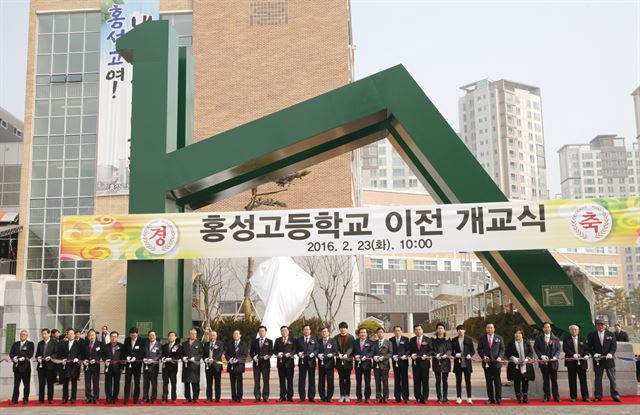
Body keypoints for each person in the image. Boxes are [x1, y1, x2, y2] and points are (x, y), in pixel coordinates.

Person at [587, 319, 621, 402]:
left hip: (609, 360)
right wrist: (594, 353)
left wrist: (611, 353)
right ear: (596, 326)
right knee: (598, 379)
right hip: (598, 360)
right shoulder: (591, 335)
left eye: (602, 324)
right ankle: (598, 395)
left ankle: (615, 395)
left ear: (605, 325)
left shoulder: (611, 334)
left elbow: (614, 346)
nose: (600, 326)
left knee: (612, 378)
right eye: (598, 325)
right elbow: (589, 347)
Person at [477, 322, 504, 404]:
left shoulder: (499, 338)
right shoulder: (482, 338)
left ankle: (498, 398)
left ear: (494, 329)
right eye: (488, 328)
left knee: (497, 381)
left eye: (491, 327)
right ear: (486, 329)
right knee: (488, 381)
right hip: (487, 363)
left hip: (496, 363)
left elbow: (502, 349)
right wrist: (483, 356)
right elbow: (479, 349)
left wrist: (500, 356)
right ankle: (491, 399)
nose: (489, 329)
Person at [533, 322, 561, 402]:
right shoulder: (538, 338)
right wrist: (541, 356)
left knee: (554, 380)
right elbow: (536, 348)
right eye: (545, 327)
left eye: (548, 327)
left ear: (550, 328)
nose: (547, 329)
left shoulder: (556, 338)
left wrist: (556, 356)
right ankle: (546, 396)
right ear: (543, 329)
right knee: (545, 380)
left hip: (553, 363)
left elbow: (558, 349)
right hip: (543, 362)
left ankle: (556, 396)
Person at [506, 328, 535, 403]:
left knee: (525, 380)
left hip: (525, 365)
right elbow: (507, 353)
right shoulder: (511, 343)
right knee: (517, 381)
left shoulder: (526, 342)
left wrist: (527, 358)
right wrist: (512, 358)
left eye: (519, 333)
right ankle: (518, 397)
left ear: (522, 334)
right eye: (516, 333)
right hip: (515, 365)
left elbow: (530, 352)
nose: (517, 334)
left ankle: (525, 396)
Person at [562, 324, 590, 402]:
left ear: (578, 331)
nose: (574, 331)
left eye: (575, 329)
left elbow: (586, 349)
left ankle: (585, 397)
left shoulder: (583, 339)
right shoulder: (566, 339)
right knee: (572, 380)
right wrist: (572, 354)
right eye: (572, 329)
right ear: (569, 331)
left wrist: (586, 355)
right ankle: (573, 397)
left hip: (582, 363)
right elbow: (565, 349)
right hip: (571, 363)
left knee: (583, 381)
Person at [10, 329, 35, 405]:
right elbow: (11, 353)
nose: (22, 336)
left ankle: (25, 399)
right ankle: (14, 399)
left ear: (27, 336)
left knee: (26, 385)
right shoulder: (16, 344)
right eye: (21, 334)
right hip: (17, 367)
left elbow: (30, 354)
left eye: (24, 334)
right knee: (16, 385)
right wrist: (13, 358)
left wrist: (24, 358)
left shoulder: (30, 344)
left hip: (25, 368)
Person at [451, 324, 474, 405]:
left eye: (462, 329)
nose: (460, 331)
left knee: (468, 381)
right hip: (458, 363)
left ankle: (469, 397)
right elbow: (451, 351)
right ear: (457, 331)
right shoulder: (454, 340)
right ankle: (459, 397)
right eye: (459, 330)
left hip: (467, 363)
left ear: (465, 331)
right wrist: (455, 354)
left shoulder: (469, 339)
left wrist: (470, 355)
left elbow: (472, 351)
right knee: (458, 381)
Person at [58, 328, 82, 404]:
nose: (71, 335)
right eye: (69, 334)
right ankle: (65, 398)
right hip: (65, 366)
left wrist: (77, 358)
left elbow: (81, 354)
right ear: (67, 335)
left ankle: (73, 398)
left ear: (74, 335)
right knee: (65, 383)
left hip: (74, 366)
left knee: (74, 383)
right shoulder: (63, 344)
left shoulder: (78, 344)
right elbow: (60, 354)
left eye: (72, 333)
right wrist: (63, 359)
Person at [295, 324, 318, 402]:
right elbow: (296, 349)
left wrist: (314, 353)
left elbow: (317, 349)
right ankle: (302, 397)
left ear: (310, 331)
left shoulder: (314, 339)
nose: (306, 331)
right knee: (301, 380)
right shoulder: (299, 340)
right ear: (302, 331)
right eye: (305, 329)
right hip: (302, 362)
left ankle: (311, 397)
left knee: (312, 380)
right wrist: (299, 353)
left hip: (311, 362)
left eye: (307, 329)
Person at [250, 325, 273, 402]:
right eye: (260, 331)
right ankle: (257, 396)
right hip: (256, 364)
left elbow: (271, 352)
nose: (261, 332)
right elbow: (251, 352)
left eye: (263, 331)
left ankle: (265, 396)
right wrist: (254, 357)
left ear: (265, 332)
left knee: (266, 381)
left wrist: (267, 356)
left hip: (265, 364)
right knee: (257, 381)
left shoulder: (269, 341)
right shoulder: (254, 341)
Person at [409, 324, 431, 404]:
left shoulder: (428, 339)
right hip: (415, 364)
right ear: (414, 331)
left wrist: (427, 355)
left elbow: (431, 350)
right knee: (416, 382)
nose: (418, 331)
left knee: (425, 382)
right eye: (416, 330)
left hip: (425, 364)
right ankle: (417, 397)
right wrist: (411, 355)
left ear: (422, 330)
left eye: (419, 329)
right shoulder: (412, 340)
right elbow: (409, 350)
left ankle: (425, 398)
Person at [123, 327, 145, 404]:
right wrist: (127, 357)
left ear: (137, 334)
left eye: (134, 335)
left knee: (137, 382)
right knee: (127, 382)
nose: (133, 336)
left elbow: (142, 352)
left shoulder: (141, 340)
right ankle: (126, 399)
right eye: (132, 335)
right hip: (128, 365)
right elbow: (124, 350)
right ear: (130, 334)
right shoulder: (127, 340)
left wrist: (136, 358)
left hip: (137, 365)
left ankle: (135, 399)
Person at [181, 327, 203, 403]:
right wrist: (183, 358)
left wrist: (196, 358)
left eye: (194, 334)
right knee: (186, 383)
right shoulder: (184, 344)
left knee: (195, 382)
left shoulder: (199, 343)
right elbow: (181, 353)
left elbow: (201, 353)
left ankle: (196, 397)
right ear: (189, 334)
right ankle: (187, 398)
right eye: (191, 333)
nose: (192, 335)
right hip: (186, 365)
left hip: (195, 366)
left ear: (196, 335)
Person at [274, 325, 296, 402]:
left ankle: (290, 396)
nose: (284, 332)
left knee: (290, 381)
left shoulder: (292, 340)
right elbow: (274, 350)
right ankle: (282, 396)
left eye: (285, 330)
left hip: (289, 363)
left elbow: (295, 349)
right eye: (282, 331)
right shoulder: (277, 340)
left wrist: (290, 354)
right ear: (280, 332)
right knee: (282, 381)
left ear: (288, 331)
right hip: (281, 364)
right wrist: (278, 353)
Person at [35, 328, 57, 404]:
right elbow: (37, 354)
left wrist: (50, 357)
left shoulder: (54, 343)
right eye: (42, 334)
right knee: (41, 383)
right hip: (41, 366)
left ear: (49, 334)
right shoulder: (40, 343)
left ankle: (50, 399)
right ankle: (41, 399)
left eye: (45, 334)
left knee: (50, 383)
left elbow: (56, 353)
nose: (43, 335)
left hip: (50, 366)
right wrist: (38, 358)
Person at [334, 321, 354, 402]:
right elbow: (335, 348)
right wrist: (338, 354)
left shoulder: (351, 337)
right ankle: (342, 395)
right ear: (339, 329)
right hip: (339, 361)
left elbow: (351, 347)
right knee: (341, 379)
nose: (343, 330)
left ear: (347, 329)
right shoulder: (336, 338)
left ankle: (347, 395)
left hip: (348, 361)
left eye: (344, 328)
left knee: (348, 379)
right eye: (341, 328)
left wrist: (346, 354)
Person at [432, 322, 452, 403]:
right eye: (439, 328)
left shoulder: (448, 341)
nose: (440, 330)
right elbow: (431, 350)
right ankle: (439, 397)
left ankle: (445, 397)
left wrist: (446, 355)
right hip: (437, 362)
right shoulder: (433, 341)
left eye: (441, 328)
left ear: (444, 330)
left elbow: (450, 350)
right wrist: (435, 354)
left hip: (445, 362)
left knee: (445, 381)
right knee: (438, 381)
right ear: (436, 330)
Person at [353, 327, 374, 403]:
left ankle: (367, 397)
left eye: (364, 332)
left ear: (367, 334)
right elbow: (353, 351)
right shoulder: (355, 342)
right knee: (358, 382)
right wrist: (355, 355)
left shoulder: (371, 342)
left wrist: (367, 356)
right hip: (358, 364)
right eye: (361, 332)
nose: (363, 334)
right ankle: (359, 397)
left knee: (367, 381)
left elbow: (372, 352)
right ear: (359, 334)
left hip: (367, 364)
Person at [225, 329, 247, 403]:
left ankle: (240, 397)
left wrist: (238, 360)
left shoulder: (243, 344)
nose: (235, 335)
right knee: (232, 383)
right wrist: (229, 359)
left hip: (239, 366)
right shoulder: (230, 344)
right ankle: (233, 397)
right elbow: (226, 354)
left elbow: (245, 355)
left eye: (237, 334)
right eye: (234, 334)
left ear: (240, 335)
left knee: (239, 383)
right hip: (231, 366)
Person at [203, 330, 225, 403]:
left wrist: (213, 359)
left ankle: (218, 398)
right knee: (209, 383)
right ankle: (209, 397)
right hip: (208, 366)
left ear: (216, 336)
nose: (212, 337)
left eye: (214, 335)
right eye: (211, 335)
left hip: (217, 366)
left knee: (217, 383)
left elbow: (220, 353)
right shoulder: (206, 344)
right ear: (209, 336)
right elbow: (203, 354)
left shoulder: (220, 344)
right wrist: (205, 359)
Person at [390, 325, 410, 403]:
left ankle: (406, 397)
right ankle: (397, 397)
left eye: (399, 330)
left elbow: (408, 349)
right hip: (395, 362)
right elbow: (390, 350)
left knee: (404, 379)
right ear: (394, 332)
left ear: (401, 331)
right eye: (396, 330)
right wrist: (392, 356)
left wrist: (406, 355)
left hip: (404, 362)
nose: (397, 332)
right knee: (397, 379)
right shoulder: (391, 340)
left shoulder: (405, 339)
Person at [317, 327, 337, 402]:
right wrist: (318, 355)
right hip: (321, 364)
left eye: (325, 331)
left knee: (330, 381)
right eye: (323, 332)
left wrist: (332, 354)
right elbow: (316, 351)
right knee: (321, 381)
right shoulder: (318, 341)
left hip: (330, 364)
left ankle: (329, 397)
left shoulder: (333, 341)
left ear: (328, 333)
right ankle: (322, 396)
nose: (324, 333)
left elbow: (335, 351)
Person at [161, 331, 182, 403]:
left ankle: (174, 398)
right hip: (165, 367)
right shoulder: (165, 346)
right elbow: (161, 354)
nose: (171, 337)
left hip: (173, 367)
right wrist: (162, 358)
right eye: (170, 335)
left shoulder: (178, 346)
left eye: (172, 335)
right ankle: (164, 397)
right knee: (165, 383)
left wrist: (172, 359)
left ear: (175, 337)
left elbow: (179, 356)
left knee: (173, 383)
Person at [83, 329, 103, 404]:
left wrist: (96, 359)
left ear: (95, 336)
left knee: (95, 383)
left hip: (95, 366)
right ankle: (88, 397)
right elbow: (82, 354)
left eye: (93, 335)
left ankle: (96, 398)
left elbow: (101, 354)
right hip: (87, 366)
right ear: (88, 336)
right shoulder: (85, 344)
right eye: (90, 335)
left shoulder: (100, 344)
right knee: (87, 383)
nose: (91, 337)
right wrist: (84, 360)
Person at [372, 327, 392, 403]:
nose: (380, 333)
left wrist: (384, 357)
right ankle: (378, 397)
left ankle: (386, 397)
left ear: (384, 333)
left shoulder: (388, 342)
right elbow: (372, 352)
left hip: (385, 365)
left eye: (381, 332)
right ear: (377, 334)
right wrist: (374, 356)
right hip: (376, 365)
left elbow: (390, 353)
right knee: (377, 381)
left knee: (385, 382)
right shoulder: (374, 343)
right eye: (379, 332)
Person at [103, 331, 123, 404]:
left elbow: (122, 357)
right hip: (108, 367)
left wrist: (122, 367)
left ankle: (115, 398)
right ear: (110, 337)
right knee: (107, 383)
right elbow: (103, 356)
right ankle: (108, 398)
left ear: (117, 337)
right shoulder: (106, 346)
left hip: (117, 368)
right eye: (112, 336)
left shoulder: (121, 346)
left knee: (116, 383)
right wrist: (105, 360)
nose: (113, 338)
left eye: (115, 336)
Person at [143, 329, 162, 403]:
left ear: (156, 336)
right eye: (150, 335)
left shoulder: (159, 345)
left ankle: (153, 398)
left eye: (153, 335)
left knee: (154, 383)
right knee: (145, 383)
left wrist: (154, 359)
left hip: (154, 367)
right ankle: (145, 398)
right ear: (148, 336)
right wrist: (144, 359)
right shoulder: (145, 344)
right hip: (146, 366)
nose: (152, 337)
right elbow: (142, 353)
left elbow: (159, 354)